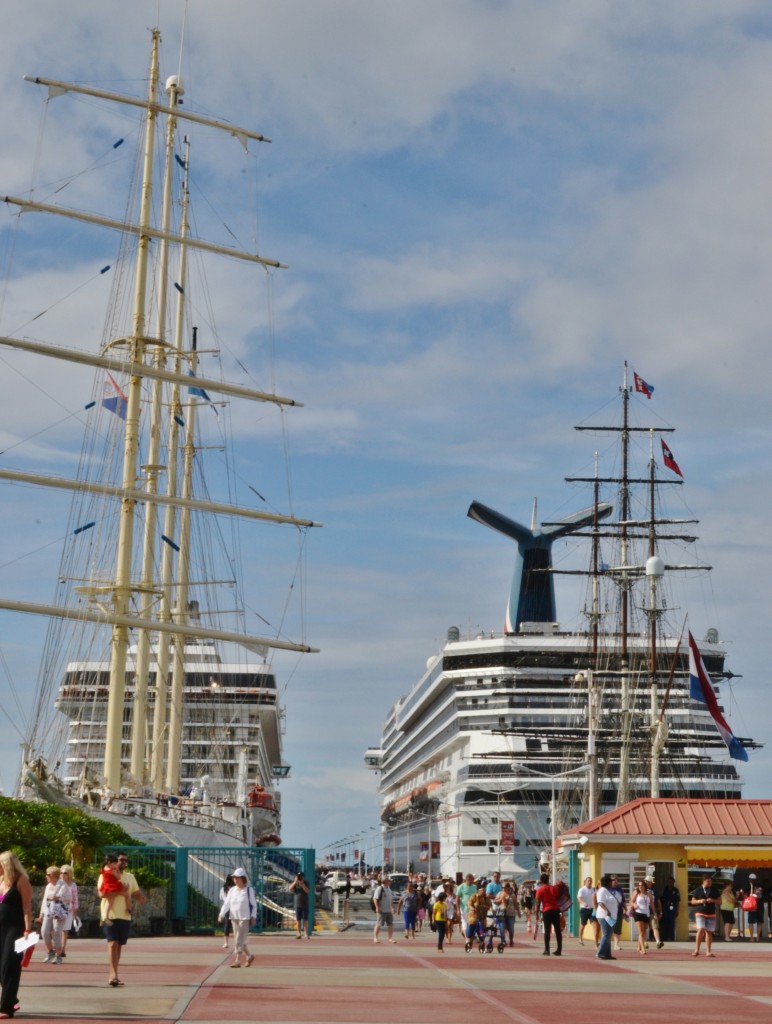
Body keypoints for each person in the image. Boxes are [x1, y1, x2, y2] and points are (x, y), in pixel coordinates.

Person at [99, 851, 145, 986]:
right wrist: (123, 893)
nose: (124, 863)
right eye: (121, 860)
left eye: (126, 861)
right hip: (110, 915)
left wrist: (140, 897)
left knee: (118, 945)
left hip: (125, 915)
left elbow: (135, 891)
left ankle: (115, 973)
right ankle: (112, 975)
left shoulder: (130, 877)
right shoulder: (106, 874)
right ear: (114, 861)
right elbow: (101, 893)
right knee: (112, 943)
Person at [0, 851, 33, 1019]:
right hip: (1, 928)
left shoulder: (21, 880)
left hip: (15, 928)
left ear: (7, 865)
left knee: (9, 965)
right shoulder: (1, 881)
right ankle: (12, 998)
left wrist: (27, 930)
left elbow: (27, 908)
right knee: (0, 966)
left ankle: (6, 1007)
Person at [217, 867, 256, 967]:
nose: (235, 880)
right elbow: (227, 904)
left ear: (243, 878)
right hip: (234, 917)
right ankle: (249, 956)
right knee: (239, 940)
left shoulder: (249, 890)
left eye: (237, 878)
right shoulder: (232, 890)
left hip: (245, 918)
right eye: (234, 878)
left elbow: (253, 904)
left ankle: (237, 960)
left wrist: (253, 916)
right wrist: (221, 914)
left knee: (239, 939)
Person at [38, 865, 71, 965]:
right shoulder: (48, 886)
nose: (46, 876)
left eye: (48, 874)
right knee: (44, 931)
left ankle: (58, 955)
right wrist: (41, 914)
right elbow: (45, 900)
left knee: (56, 932)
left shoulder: (63, 885)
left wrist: (57, 897)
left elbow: (68, 898)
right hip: (48, 911)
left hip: (59, 912)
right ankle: (50, 951)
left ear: (54, 876)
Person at [690, 873, 719, 958]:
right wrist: (700, 901)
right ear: (703, 881)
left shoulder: (714, 889)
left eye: (711, 881)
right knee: (701, 929)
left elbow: (719, 901)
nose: (710, 883)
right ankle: (696, 950)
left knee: (709, 931)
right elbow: (692, 901)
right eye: (708, 881)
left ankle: (708, 951)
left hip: (711, 912)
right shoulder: (698, 889)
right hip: (700, 912)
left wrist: (712, 900)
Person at [535, 872, 562, 957]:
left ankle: (547, 950)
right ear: (548, 879)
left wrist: (537, 914)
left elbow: (537, 903)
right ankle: (559, 949)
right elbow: (558, 898)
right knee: (558, 930)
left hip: (546, 911)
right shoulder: (554, 888)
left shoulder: (540, 890)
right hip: (556, 910)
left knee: (547, 931)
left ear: (541, 881)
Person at [99, 855, 131, 921]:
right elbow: (118, 878)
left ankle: (105, 915)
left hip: (106, 887)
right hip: (113, 886)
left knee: (110, 901)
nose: (116, 865)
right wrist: (117, 871)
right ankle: (129, 908)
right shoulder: (112, 870)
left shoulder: (104, 869)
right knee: (127, 893)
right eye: (114, 863)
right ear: (109, 862)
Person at [594, 874, 618, 961]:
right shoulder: (602, 890)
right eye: (610, 882)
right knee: (606, 935)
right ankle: (600, 952)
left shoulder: (607, 891)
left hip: (610, 917)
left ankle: (607, 954)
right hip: (604, 916)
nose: (612, 883)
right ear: (607, 883)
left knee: (608, 935)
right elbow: (600, 902)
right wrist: (607, 910)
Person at [59, 865, 78, 958]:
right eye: (61, 873)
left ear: (69, 874)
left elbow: (75, 899)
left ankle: (63, 949)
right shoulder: (58, 883)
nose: (63, 875)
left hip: (68, 909)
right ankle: (57, 947)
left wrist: (75, 910)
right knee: (56, 929)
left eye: (65, 873)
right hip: (58, 909)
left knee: (65, 930)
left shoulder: (73, 885)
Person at [494, 881, 519, 948]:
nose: (503, 889)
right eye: (502, 887)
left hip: (511, 914)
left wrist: (518, 912)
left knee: (511, 929)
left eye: (504, 887)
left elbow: (516, 904)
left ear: (508, 888)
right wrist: (501, 899)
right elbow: (495, 901)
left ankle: (511, 939)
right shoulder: (500, 893)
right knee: (502, 928)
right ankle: (503, 941)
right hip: (502, 914)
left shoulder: (512, 894)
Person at [373, 874, 396, 944]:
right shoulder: (380, 888)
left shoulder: (389, 889)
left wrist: (392, 908)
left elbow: (390, 900)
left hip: (388, 910)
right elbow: (375, 899)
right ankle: (375, 938)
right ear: (385, 881)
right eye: (389, 881)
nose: (390, 882)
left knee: (390, 924)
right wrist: (377, 907)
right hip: (381, 910)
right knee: (379, 924)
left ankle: (390, 938)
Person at [631, 881, 652, 955]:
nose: (640, 887)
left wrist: (655, 913)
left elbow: (652, 904)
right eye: (639, 885)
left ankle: (639, 946)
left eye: (642, 885)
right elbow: (632, 901)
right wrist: (634, 905)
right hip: (638, 913)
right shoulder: (637, 894)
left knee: (644, 930)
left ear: (645, 886)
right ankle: (643, 949)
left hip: (646, 914)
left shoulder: (649, 894)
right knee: (641, 932)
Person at [288, 871, 310, 939]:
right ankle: (299, 933)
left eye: (300, 876)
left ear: (303, 877)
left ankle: (306, 934)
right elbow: (290, 889)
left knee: (305, 920)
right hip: (298, 904)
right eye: (298, 876)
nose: (299, 878)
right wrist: (295, 882)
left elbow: (307, 891)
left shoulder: (306, 883)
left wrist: (302, 884)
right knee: (298, 920)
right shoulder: (295, 883)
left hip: (304, 904)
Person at [577, 876, 597, 947]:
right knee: (583, 924)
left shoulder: (593, 890)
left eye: (591, 881)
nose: (590, 882)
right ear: (585, 881)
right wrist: (583, 903)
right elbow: (579, 898)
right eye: (588, 881)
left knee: (595, 925)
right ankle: (580, 939)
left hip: (592, 909)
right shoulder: (582, 889)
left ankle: (596, 941)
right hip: (584, 909)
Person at [660, 876, 681, 943]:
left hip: (672, 907)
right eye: (669, 882)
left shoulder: (676, 890)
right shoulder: (665, 889)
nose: (670, 883)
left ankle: (671, 937)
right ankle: (664, 936)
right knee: (665, 922)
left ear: (673, 882)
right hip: (666, 907)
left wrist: (677, 909)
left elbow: (678, 901)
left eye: (671, 882)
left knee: (671, 922)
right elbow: (663, 898)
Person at [608, 874, 626, 951]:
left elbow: (623, 901)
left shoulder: (620, 889)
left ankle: (616, 945)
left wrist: (626, 909)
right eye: (613, 880)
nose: (614, 881)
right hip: (610, 912)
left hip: (619, 911)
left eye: (616, 880)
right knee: (609, 928)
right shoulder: (607, 889)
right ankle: (607, 944)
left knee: (618, 929)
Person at [218, 874, 234, 949]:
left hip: (227, 908)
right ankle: (238, 942)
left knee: (227, 925)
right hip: (235, 908)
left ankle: (226, 943)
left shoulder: (223, 888)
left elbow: (221, 898)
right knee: (236, 925)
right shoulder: (235, 888)